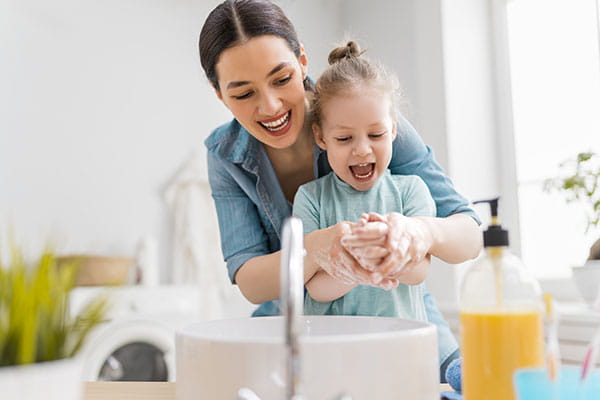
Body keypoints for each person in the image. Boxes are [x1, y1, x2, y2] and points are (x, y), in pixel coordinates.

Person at [198, 0, 482, 380]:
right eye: (243, 94)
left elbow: (468, 232)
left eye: (281, 79)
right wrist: (319, 248)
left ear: (302, 61)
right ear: (220, 94)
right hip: (297, 325)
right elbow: (250, 278)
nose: (270, 106)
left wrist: (420, 232)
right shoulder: (225, 155)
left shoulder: (364, 113)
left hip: (396, 316)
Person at [294, 41, 434, 322]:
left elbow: (419, 272)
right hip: (332, 349)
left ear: (393, 129)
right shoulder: (310, 198)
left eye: (376, 135)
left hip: (398, 344)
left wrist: (380, 253)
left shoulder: (411, 191)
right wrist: (359, 262)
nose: (361, 150)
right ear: (321, 138)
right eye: (345, 138)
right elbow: (316, 288)